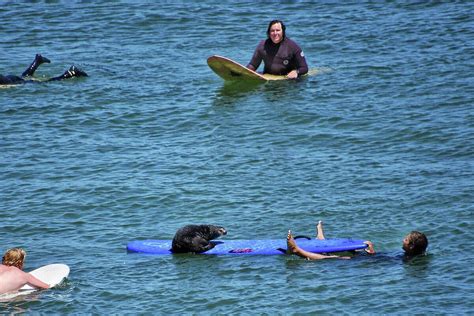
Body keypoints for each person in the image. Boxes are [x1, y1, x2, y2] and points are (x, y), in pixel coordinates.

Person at [286, 221, 428, 260]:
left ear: (411, 246)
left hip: (368, 263)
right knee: (348, 251)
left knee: (333, 258)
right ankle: (321, 240)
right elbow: (385, 258)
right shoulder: (408, 256)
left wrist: (371, 255)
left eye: (406, 239)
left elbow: (384, 262)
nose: (403, 239)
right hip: (371, 259)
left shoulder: (407, 260)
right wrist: (372, 252)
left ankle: (297, 250)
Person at [0, 53, 87, 85]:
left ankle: (69, 74)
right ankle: (37, 61)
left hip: (9, 80)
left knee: (43, 82)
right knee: (25, 77)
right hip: (9, 78)